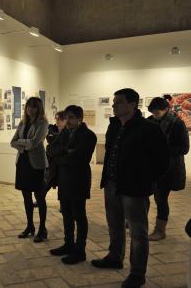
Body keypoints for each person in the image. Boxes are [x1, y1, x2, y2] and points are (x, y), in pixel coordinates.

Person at [91, 88, 168, 288]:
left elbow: (161, 161)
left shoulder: (148, 128)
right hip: (112, 184)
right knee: (114, 224)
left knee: (137, 231)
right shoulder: (114, 126)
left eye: (119, 102)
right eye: (114, 102)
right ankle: (115, 257)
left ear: (133, 104)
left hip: (135, 187)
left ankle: (137, 273)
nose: (114, 105)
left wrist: (145, 180)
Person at [48, 105, 97, 265]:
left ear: (79, 119)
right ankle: (68, 244)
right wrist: (66, 151)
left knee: (79, 215)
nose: (67, 121)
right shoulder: (65, 133)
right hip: (64, 179)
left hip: (78, 180)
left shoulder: (88, 136)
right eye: (66, 117)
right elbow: (51, 150)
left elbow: (79, 158)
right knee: (66, 213)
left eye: (71, 118)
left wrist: (62, 156)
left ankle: (80, 250)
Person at [147, 97, 189, 240]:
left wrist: (162, 150)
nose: (154, 114)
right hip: (151, 167)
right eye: (152, 111)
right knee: (143, 194)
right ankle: (140, 222)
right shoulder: (150, 120)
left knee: (160, 199)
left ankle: (160, 230)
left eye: (157, 112)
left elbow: (184, 148)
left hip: (168, 169)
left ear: (166, 109)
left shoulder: (177, 123)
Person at [11, 97, 49, 243]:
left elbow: (34, 143)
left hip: (36, 165)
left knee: (39, 198)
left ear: (39, 108)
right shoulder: (22, 123)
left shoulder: (43, 123)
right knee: (26, 197)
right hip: (23, 163)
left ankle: (42, 229)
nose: (30, 109)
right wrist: (24, 143)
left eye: (33, 107)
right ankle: (30, 226)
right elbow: (12, 142)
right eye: (28, 106)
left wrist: (22, 143)